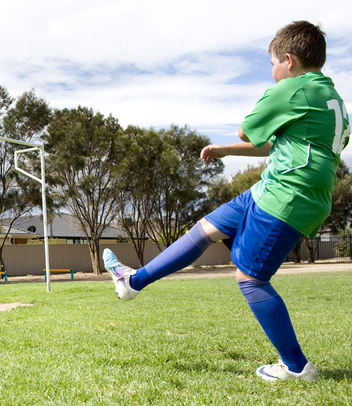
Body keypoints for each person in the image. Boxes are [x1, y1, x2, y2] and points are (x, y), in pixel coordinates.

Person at [103, 21, 349, 382]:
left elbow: (248, 129)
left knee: (250, 278)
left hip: (287, 195)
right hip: (274, 189)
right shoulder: (332, 100)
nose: (273, 72)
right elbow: (276, 142)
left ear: (289, 59)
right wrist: (225, 151)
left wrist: (241, 133)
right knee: (206, 229)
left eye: (272, 64)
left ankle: (296, 367)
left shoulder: (293, 90)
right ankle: (132, 282)